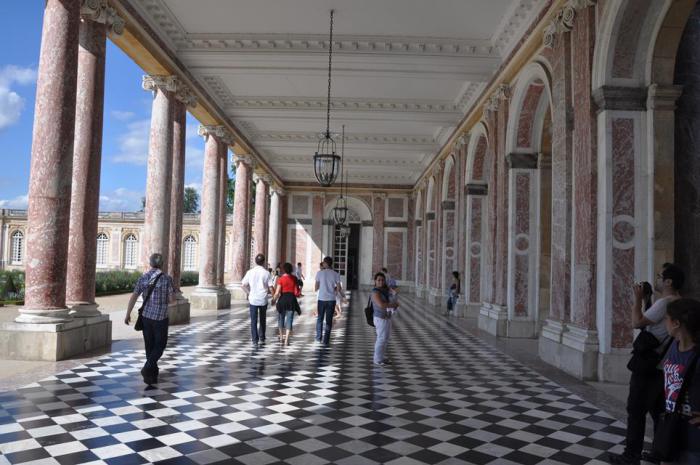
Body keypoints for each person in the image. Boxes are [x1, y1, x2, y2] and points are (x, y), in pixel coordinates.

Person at [609, 263, 684, 465]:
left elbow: (637, 323)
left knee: (635, 410)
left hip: (648, 367)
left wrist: (636, 299)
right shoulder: (680, 302)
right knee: (658, 412)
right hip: (663, 367)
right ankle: (659, 453)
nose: (657, 279)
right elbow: (656, 324)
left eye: (660, 276)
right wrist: (647, 299)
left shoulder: (665, 302)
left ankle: (631, 455)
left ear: (669, 281)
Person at [658, 298, 700, 465]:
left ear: (676, 323)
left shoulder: (697, 355)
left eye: (666, 319)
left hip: (694, 439)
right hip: (671, 431)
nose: (664, 323)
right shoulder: (673, 346)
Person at [124, 253, 175, 385]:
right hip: (161, 318)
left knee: (149, 345)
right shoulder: (167, 279)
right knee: (160, 345)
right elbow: (172, 300)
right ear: (162, 264)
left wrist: (128, 313)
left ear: (150, 263)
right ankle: (148, 368)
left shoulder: (144, 277)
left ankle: (150, 376)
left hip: (146, 317)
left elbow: (134, 296)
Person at [241, 253, 272, 347]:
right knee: (262, 319)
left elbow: (243, 285)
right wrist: (274, 296)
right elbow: (271, 286)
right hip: (263, 298)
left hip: (253, 299)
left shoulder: (250, 272)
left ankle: (255, 340)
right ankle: (262, 337)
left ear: (255, 261)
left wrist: (249, 293)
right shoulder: (266, 273)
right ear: (264, 262)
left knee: (253, 320)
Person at [371, 271, 399, 366]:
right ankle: (377, 359)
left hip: (387, 317)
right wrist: (393, 305)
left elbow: (391, 299)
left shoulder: (385, 290)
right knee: (381, 338)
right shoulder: (375, 292)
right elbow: (381, 305)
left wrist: (393, 295)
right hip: (380, 318)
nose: (381, 282)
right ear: (375, 281)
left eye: (382, 280)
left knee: (385, 339)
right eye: (379, 280)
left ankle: (381, 357)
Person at [314, 256, 342, 346]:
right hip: (331, 299)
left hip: (321, 299)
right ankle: (326, 340)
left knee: (320, 319)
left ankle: (318, 338)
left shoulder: (319, 273)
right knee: (329, 320)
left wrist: (321, 287)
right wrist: (334, 291)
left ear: (325, 263)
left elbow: (316, 287)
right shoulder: (335, 274)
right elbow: (339, 288)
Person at [271, 262, 301, 346]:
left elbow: (277, 292)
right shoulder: (294, 278)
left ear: (283, 269)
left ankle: (281, 336)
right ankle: (286, 339)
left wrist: (273, 300)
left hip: (283, 299)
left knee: (281, 318)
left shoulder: (281, 279)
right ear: (291, 269)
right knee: (289, 320)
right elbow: (297, 290)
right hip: (291, 299)